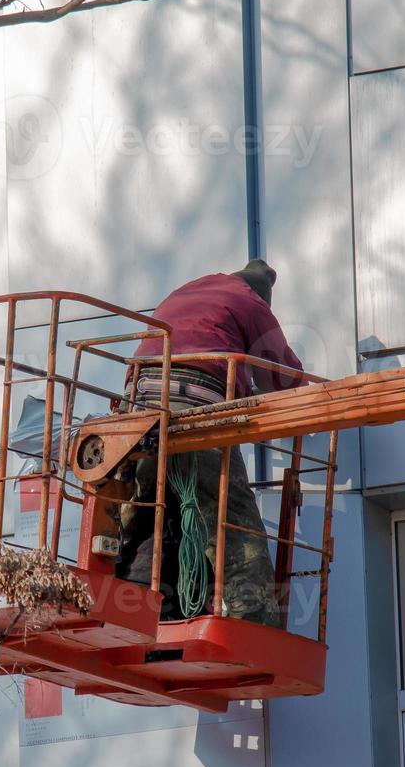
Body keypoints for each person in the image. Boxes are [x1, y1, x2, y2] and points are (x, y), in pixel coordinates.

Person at [118, 260, 305, 628]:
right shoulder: (248, 300)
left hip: (138, 408)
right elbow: (279, 374)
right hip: (195, 410)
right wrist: (305, 393)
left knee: (152, 513)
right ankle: (252, 626)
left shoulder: (187, 291)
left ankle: (135, 613)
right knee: (232, 523)